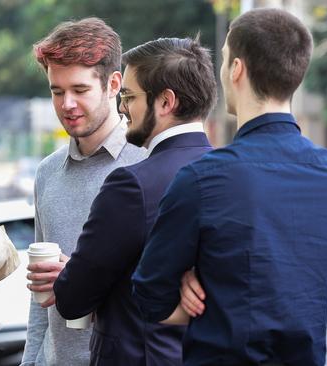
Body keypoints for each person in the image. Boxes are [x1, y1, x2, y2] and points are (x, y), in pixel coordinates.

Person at [132, 8, 327, 366]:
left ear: (236, 69)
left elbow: (148, 298)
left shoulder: (203, 179)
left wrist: (193, 281)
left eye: (223, 61)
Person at [52, 37, 216, 365]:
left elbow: (72, 299)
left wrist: (67, 272)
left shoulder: (133, 185)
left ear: (166, 102)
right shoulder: (232, 176)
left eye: (128, 96)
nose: (122, 107)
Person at [22, 18, 146, 366]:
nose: (67, 104)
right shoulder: (47, 172)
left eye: (79, 89)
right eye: (57, 91)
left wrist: (81, 278)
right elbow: (39, 300)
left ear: (113, 84)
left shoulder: (147, 164)